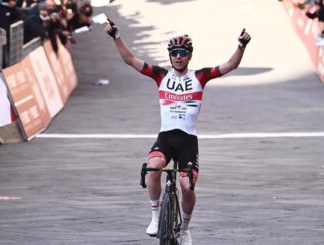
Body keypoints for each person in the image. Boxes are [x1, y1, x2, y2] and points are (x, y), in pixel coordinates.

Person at [104, 18, 251, 245]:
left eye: (183, 52)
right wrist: (116, 36)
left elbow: (230, 65)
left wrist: (241, 46)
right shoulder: (161, 76)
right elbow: (130, 60)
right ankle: (155, 217)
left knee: (186, 186)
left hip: (188, 142)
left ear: (190, 55)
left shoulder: (200, 77)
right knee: (152, 168)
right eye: (174, 52)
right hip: (166, 138)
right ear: (170, 55)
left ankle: (185, 229)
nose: (179, 56)